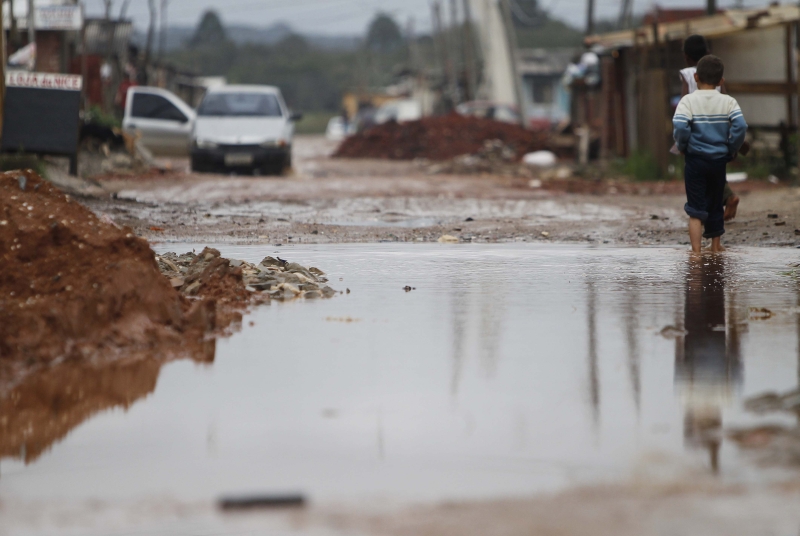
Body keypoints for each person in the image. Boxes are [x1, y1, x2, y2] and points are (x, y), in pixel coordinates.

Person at [673, 55, 747, 253]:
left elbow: (680, 126)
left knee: (696, 209)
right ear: (721, 81)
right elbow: (740, 126)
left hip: (695, 160)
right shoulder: (728, 102)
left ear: (695, 77)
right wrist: (732, 147)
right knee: (715, 205)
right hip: (718, 161)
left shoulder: (687, 101)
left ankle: (696, 253)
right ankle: (715, 247)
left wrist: (683, 144)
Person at [679, 35, 743, 221]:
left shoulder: (687, 74)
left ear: (686, 56)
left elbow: (683, 103)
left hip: (696, 133)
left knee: (699, 171)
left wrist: (682, 139)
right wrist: (733, 137)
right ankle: (716, 211)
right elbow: (726, 101)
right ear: (707, 52)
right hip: (717, 130)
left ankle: (706, 210)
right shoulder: (716, 73)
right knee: (715, 167)